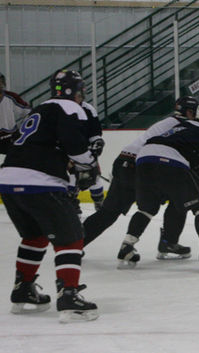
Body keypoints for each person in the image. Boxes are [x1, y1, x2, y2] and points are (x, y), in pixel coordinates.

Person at [0, 69, 99, 322]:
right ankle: (69, 294)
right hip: (40, 182)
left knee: (35, 236)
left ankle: (23, 290)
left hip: (8, 180)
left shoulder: (41, 108)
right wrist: (88, 163)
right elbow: (74, 145)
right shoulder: (71, 107)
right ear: (76, 91)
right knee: (72, 238)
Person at [116, 101, 199, 272]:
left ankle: (126, 247)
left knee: (148, 207)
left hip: (144, 160)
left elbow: (194, 166)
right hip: (168, 161)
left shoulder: (182, 128)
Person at [82, 96, 199, 260]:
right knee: (178, 198)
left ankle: (75, 244)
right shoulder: (185, 126)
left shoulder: (167, 122)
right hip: (143, 166)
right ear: (189, 112)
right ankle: (167, 242)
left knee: (108, 212)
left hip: (124, 160)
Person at [68, 98, 106, 217]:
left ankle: (99, 201)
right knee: (70, 177)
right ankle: (71, 203)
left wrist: (97, 142)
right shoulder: (59, 106)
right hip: (65, 150)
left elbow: (95, 132)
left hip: (84, 151)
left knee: (93, 177)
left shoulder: (88, 109)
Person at [0, 72, 31, 154]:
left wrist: (23, 130)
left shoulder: (11, 97)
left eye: (1, 81)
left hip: (9, 138)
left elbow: (28, 112)